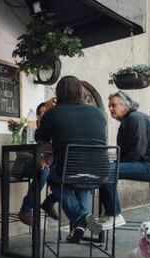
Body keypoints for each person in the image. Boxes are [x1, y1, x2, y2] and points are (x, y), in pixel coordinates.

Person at [35, 76, 107, 243]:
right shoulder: (97, 112)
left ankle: (82, 216)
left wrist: (49, 110)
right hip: (100, 172)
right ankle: (80, 227)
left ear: (58, 93)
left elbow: (40, 137)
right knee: (83, 184)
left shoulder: (53, 113)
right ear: (81, 92)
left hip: (69, 170)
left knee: (54, 181)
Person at [98, 91, 150, 230]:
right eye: (109, 106)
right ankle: (109, 213)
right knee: (105, 169)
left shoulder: (135, 118)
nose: (110, 109)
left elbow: (138, 150)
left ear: (126, 105)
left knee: (106, 170)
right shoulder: (128, 121)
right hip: (147, 164)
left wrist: (116, 165)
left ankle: (115, 215)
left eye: (113, 105)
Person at [16, 101, 59, 226]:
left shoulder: (54, 133)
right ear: (38, 117)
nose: (45, 115)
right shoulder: (30, 129)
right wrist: (38, 160)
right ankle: (26, 208)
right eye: (42, 113)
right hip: (25, 166)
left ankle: (49, 202)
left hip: (47, 168)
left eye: (48, 113)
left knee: (66, 173)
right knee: (43, 171)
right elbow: (20, 154)